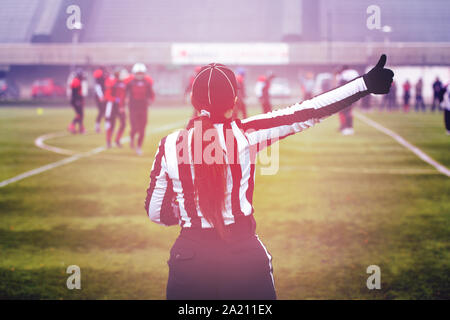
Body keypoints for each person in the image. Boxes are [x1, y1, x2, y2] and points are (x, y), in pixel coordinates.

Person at [145, 56, 393, 300]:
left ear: (192, 99)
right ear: (234, 99)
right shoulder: (246, 135)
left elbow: (156, 212)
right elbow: (307, 112)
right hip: (242, 256)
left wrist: (188, 212)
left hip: (190, 258)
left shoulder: (169, 145)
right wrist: (364, 84)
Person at [127, 63, 155, 156]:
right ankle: (131, 138)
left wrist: (151, 100)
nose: (139, 75)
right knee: (134, 127)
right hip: (133, 108)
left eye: (141, 73)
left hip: (143, 108)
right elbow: (124, 94)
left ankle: (138, 147)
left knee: (142, 129)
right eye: (138, 73)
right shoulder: (130, 83)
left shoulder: (147, 83)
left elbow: (151, 94)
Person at [104, 68, 127, 148]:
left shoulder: (124, 83)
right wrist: (115, 99)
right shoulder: (111, 82)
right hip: (112, 106)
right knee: (111, 124)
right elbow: (107, 95)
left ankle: (117, 140)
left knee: (123, 124)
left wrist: (122, 105)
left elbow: (123, 96)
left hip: (120, 106)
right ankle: (108, 141)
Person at [337, 66, 359, 135]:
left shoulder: (344, 75)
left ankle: (346, 127)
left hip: (346, 95)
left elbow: (341, 85)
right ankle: (349, 127)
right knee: (348, 112)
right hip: (353, 95)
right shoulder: (354, 73)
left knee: (344, 112)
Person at [67, 70, 86, 134]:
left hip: (77, 99)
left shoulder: (78, 81)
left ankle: (81, 127)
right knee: (79, 114)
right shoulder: (76, 81)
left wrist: (81, 99)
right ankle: (72, 125)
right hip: (75, 100)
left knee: (81, 114)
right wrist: (78, 100)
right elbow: (75, 92)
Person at [93, 66, 108, 133]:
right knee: (102, 111)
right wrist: (101, 96)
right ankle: (98, 126)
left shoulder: (101, 75)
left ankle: (105, 126)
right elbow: (98, 87)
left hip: (102, 96)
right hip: (100, 96)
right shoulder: (99, 76)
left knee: (104, 111)